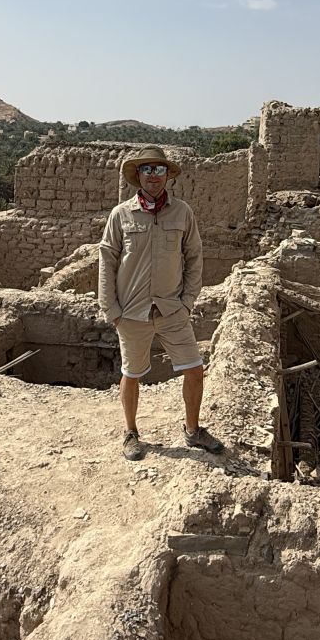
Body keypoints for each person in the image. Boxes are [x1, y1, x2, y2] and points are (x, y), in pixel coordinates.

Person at [97, 146, 224, 461]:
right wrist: (111, 310)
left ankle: (193, 431)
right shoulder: (121, 215)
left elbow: (194, 256)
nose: (153, 175)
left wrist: (188, 301)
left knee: (195, 370)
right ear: (138, 175)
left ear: (168, 175)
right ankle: (130, 433)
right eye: (147, 170)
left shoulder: (182, 213)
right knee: (132, 373)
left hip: (172, 310)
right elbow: (107, 260)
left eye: (159, 169)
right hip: (131, 312)